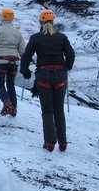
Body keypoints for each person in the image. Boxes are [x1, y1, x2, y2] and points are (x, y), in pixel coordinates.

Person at [20, 10, 75, 152]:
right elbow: (70, 54)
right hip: (60, 75)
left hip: (43, 75)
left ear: (40, 22)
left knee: (47, 111)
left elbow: (26, 56)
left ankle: (50, 143)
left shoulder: (36, 38)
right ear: (53, 21)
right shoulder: (61, 37)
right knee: (59, 110)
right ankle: (63, 143)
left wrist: (25, 71)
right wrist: (67, 66)